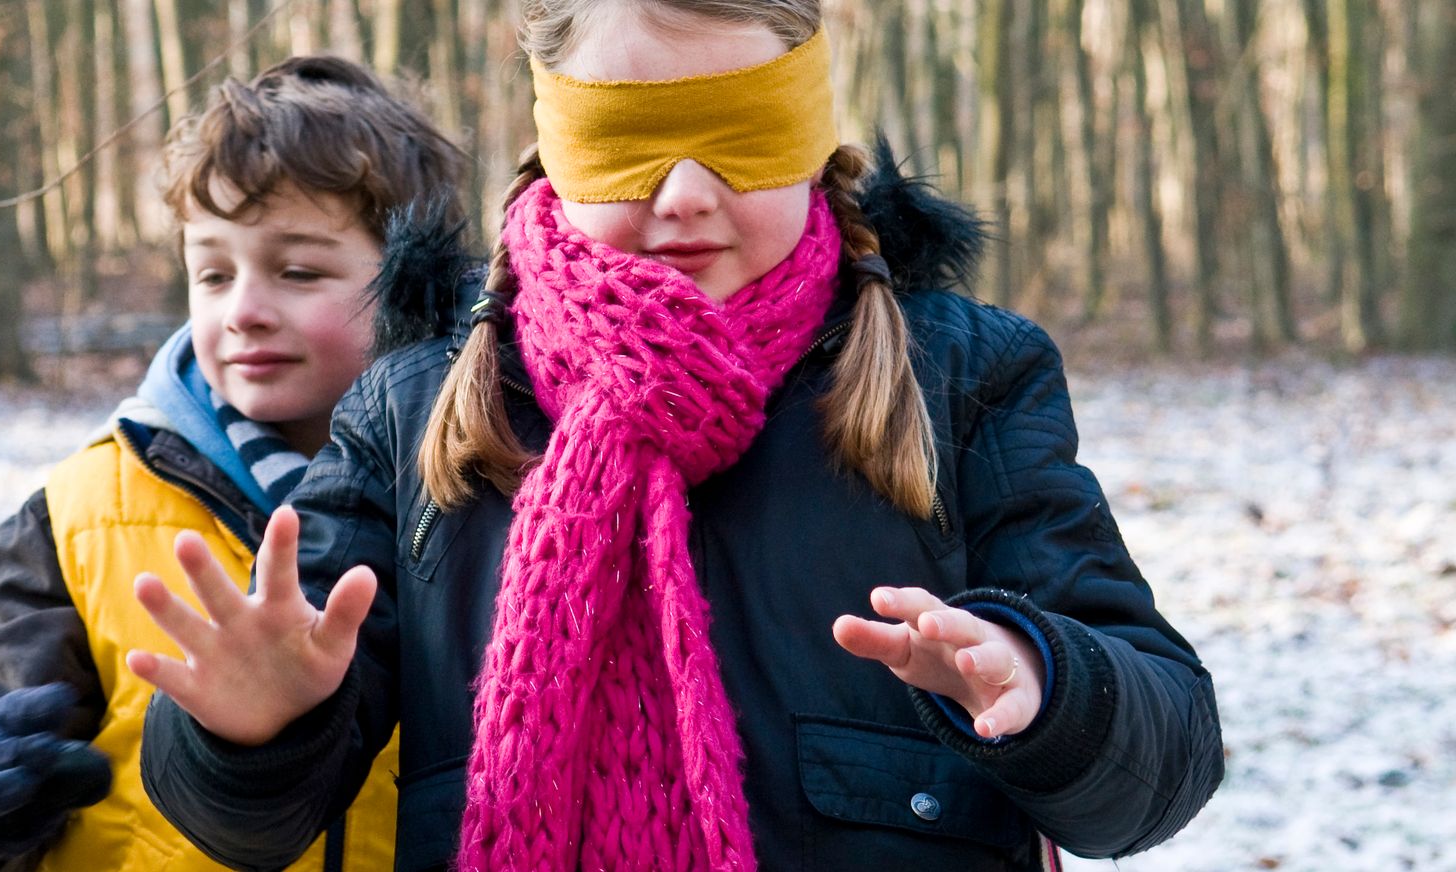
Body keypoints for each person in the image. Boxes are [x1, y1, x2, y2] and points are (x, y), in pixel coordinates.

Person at [126, 2, 1225, 870]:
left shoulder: (961, 381)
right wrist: (249, 728)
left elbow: (1163, 754)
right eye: (631, 143)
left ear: (808, 133)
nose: (687, 196)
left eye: (741, 140)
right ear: (555, 141)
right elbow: (251, 823)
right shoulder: (418, 410)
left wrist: (1048, 685)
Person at [0, 55, 474, 872]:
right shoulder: (83, 515)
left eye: (298, 271)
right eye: (212, 273)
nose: (242, 310)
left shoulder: (485, 498)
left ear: (416, 283)